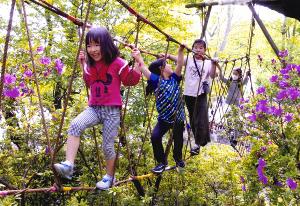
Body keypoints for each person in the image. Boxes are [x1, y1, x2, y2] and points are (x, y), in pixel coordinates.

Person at [53, 27, 141, 190]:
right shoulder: (91, 64)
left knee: (107, 146)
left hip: (111, 111)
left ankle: (109, 177)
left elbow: (130, 81)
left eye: (96, 45)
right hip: (94, 109)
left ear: (106, 44)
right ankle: (69, 165)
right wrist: (82, 64)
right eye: (89, 45)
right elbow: (89, 82)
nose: (92, 50)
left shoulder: (118, 63)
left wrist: (138, 62)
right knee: (75, 125)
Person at [131, 44, 185, 173]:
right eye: (168, 64)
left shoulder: (175, 78)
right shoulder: (156, 81)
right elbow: (143, 67)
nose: (171, 65)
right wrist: (138, 56)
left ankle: (178, 159)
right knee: (155, 137)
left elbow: (180, 64)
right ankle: (161, 162)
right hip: (164, 119)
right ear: (162, 68)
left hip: (178, 117)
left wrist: (180, 50)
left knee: (178, 139)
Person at [163, 39, 217, 156]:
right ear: (192, 49)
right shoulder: (189, 59)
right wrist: (167, 55)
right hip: (188, 94)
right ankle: (198, 142)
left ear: (204, 50)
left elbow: (213, 75)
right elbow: (179, 60)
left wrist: (214, 64)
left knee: (200, 119)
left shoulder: (208, 63)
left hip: (200, 94)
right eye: (196, 47)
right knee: (193, 119)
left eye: (201, 47)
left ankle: (197, 144)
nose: (198, 49)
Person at [218, 67, 250, 147]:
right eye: (233, 73)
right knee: (228, 119)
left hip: (236, 104)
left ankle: (235, 139)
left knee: (236, 121)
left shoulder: (240, 83)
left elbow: (246, 80)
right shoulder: (230, 82)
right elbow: (221, 78)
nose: (234, 75)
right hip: (228, 103)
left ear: (239, 75)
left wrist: (247, 74)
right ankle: (230, 134)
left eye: (236, 74)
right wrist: (220, 69)